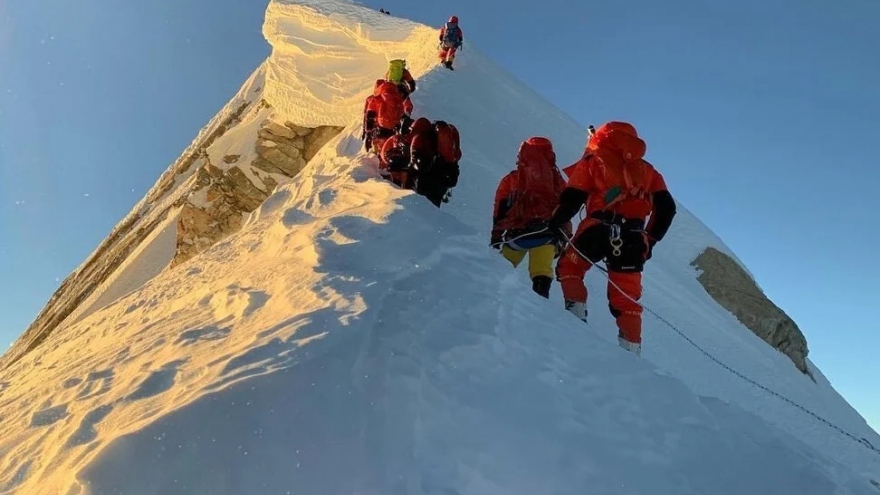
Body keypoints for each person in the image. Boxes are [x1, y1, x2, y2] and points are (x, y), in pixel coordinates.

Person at [547, 121, 676, 356]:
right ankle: (631, 355)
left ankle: (575, 324)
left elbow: (572, 198)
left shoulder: (593, 159)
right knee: (627, 299)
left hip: (596, 230)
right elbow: (667, 208)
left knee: (570, 267)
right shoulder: (649, 170)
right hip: (634, 238)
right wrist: (650, 240)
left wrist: (555, 224)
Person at [491, 137, 568, 298]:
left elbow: (501, 206)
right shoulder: (556, 179)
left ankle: (491, 299)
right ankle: (540, 305)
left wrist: (496, 234)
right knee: (542, 271)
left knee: (500, 267)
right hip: (547, 234)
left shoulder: (513, 178)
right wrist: (565, 236)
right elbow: (567, 207)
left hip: (517, 235)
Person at [410, 120, 462, 207]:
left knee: (422, 204)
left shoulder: (423, 138)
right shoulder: (449, 142)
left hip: (429, 177)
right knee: (433, 205)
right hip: (446, 176)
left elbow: (416, 158)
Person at [363, 80, 412, 154]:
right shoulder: (396, 97)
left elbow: (369, 115)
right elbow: (404, 110)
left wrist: (367, 132)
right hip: (394, 129)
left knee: (381, 153)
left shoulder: (374, 98)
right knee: (391, 151)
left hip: (379, 130)